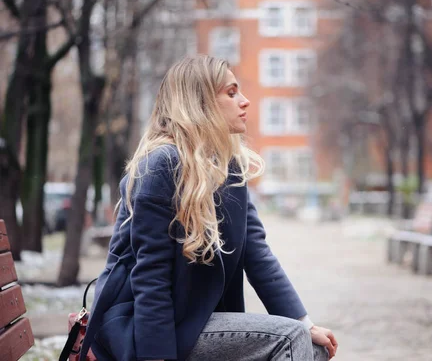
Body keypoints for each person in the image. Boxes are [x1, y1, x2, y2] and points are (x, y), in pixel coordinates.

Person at [80, 55, 338, 361]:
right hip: (146, 331)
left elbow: (257, 253)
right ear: (199, 103)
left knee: (312, 345)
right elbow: (151, 278)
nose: (245, 101)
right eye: (230, 93)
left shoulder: (229, 168)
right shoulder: (160, 167)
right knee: (288, 339)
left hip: (196, 321)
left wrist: (304, 323)